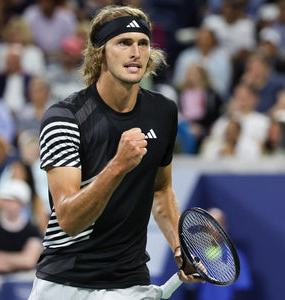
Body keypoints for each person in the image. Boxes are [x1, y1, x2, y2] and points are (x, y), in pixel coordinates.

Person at [28, 5, 201, 299]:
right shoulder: (65, 118)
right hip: (66, 284)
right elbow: (69, 219)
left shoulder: (163, 112)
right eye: (124, 42)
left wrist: (177, 245)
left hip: (130, 282)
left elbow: (161, 190)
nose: (136, 52)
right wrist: (118, 166)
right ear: (100, 53)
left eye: (143, 43)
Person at [0, 179, 43, 291]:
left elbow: (29, 261)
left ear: (22, 203)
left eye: (12, 200)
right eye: (5, 200)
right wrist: (17, 260)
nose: (7, 204)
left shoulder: (32, 230)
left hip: (23, 277)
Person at [195, 208, 253, 300]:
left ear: (224, 227)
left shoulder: (237, 257)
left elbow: (241, 291)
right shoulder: (195, 256)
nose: (213, 229)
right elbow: (190, 290)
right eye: (209, 224)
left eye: (217, 224)